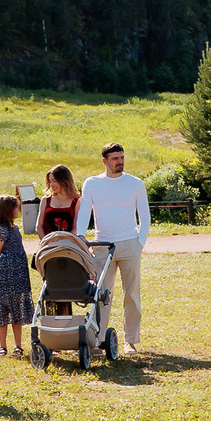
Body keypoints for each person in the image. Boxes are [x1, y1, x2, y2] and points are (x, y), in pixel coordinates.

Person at [79, 141, 150, 354]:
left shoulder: (135, 183)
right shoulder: (92, 183)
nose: (120, 162)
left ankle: (130, 341)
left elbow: (145, 217)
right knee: (101, 294)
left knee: (132, 295)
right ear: (105, 161)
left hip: (130, 244)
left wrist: (139, 243)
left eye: (122, 157)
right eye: (115, 158)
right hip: (102, 245)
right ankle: (99, 340)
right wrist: (81, 236)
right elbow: (84, 211)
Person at [0, 193, 35, 354]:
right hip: (6, 273)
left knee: (17, 308)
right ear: (9, 210)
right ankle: (3, 346)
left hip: (19, 273)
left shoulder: (14, 228)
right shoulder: (1, 230)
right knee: (4, 308)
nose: (18, 210)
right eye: (16, 207)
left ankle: (18, 345)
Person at [39, 164, 82, 236]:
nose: (51, 184)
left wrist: (63, 242)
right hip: (48, 243)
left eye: (54, 181)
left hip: (68, 242)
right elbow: (39, 226)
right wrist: (46, 242)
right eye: (50, 181)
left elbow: (75, 228)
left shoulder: (77, 201)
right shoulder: (46, 200)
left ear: (64, 181)